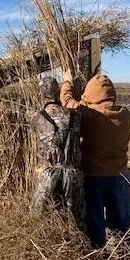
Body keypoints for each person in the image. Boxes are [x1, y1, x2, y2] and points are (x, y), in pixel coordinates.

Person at [60, 70, 130, 248]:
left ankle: (98, 253)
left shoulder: (89, 115)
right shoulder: (125, 114)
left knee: (95, 218)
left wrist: (67, 82)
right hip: (119, 175)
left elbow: (67, 102)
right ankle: (123, 255)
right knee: (119, 218)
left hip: (94, 175)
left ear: (91, 94)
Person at [30, 76, 85, 230]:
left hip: (47, 174)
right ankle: (76, 248)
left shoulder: (36, 117)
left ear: (41, 93)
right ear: (58, 92)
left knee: (38, 220)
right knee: (75, 222)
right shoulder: (76, 115)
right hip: (73, 174)